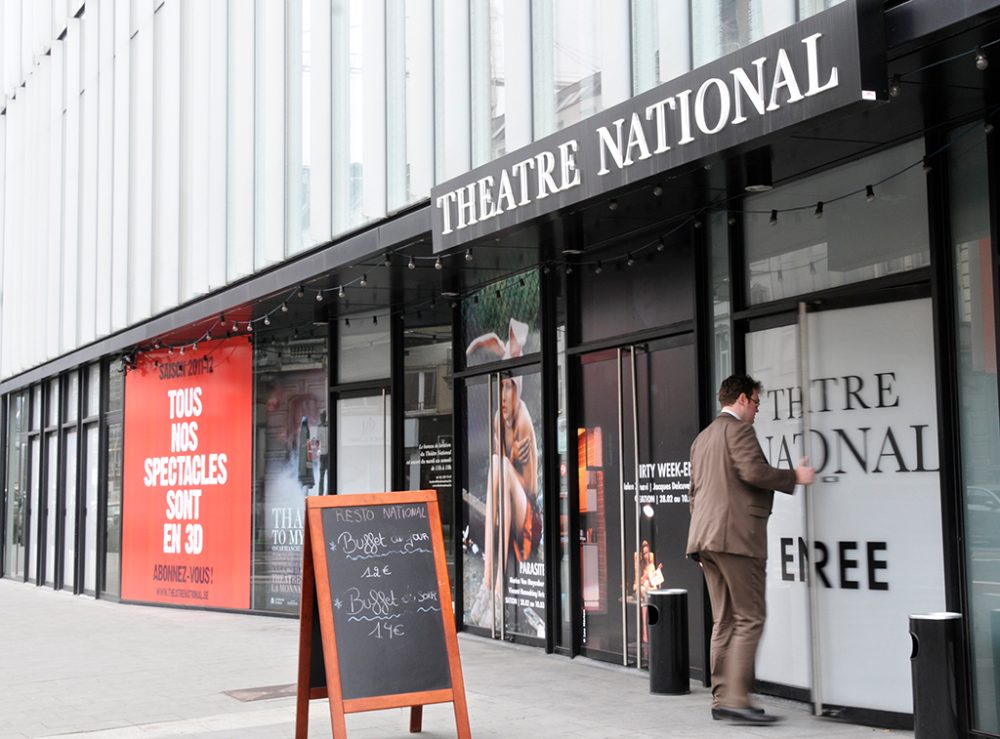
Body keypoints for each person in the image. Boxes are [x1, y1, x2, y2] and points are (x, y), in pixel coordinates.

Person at [686, 374, 815, 725]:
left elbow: (694, 494)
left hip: (707, 541)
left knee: (724, 619)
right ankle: (737, 700)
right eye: (756, 403)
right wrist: (794, 478)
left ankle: (722, 697)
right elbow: (753, 471)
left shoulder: (703, 438)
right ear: (742, 399)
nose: (757, 411)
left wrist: (701, 545)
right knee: (750, 616)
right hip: (736, 539)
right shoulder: (738, 430)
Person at [467, 318, 541, 607]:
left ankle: (496, 586)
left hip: (528, 520)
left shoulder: (523, 422)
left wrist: (514, 466)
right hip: (506, 509)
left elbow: (532, 493)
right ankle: (490, 582)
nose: (505, 395)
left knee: (503, 466)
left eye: (510, 387)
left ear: (518, 388)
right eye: (501, 388)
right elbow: (498, 477)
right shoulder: (500, 420)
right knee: (499, 464)